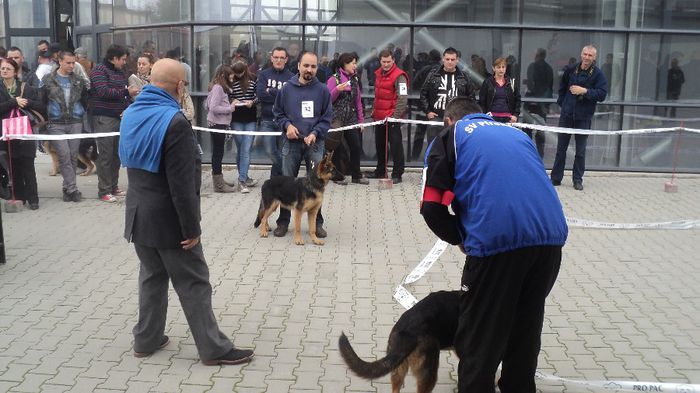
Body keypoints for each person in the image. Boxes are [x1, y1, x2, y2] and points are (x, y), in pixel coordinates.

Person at [420, 97, 568, 393]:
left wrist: (461, 238)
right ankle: (518, 386)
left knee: (480, 334)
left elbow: (431, 207)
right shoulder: (517, 134)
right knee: (525, 325)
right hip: (551, 240)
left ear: (449, 120)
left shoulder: (453, 135)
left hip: (497, 243)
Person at [118, 58, 254, 366]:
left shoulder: (129, 114)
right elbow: (182, 186)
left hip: (138, 215)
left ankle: (146, 340)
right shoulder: (175, 122)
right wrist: (192, 229)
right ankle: (213, 349)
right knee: (194, 281)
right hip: (169, 221)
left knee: (152, 277)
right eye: (185, 85)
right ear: (180, 87)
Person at [272, 51, 333, 238]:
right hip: (291, 144)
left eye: (313, 66)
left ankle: (318, 223)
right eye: (306, 65)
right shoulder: (286, 89)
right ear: (298, 65)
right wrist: (287, 126)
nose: (309, 69)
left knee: (316, 184)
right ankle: (283, 222)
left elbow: (326, 119)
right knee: (287, 182)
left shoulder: (323, 90)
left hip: (315, 144)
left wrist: (315, 133)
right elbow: (277, 113)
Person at [550, 45, 608, 191]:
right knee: (560, 149)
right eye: (585, 54)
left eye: (590, 55)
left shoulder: (598, 74)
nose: (587, 57)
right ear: (581, 54)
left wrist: (585, 91)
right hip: (567, 115)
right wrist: (563, 104)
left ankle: (577, 180)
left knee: (580, 151)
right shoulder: (570, 69)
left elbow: (602, 94)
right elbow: (562, 88)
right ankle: (556, 178)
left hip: (584, 117)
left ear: (594, 58)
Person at [90, 44, 139, 202]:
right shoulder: (99, 71)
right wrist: (126, 92)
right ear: (114, 58)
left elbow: (122, 96)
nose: (125, 62)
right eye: (123, 59)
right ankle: (103, 190)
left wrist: (127, 107)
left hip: (120, 117)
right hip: (104, 118)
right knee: (105, 155)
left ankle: (113, 186)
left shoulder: (120, 72)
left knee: (117, 155)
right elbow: (103, 92)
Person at [41, 50, 89, 203]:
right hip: (56, 123)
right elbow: (42, 100)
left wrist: (82, 112)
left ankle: (67, 188)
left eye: (73, 62)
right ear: (60, 61)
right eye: (68, 62)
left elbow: (85, 99)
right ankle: (73, 190)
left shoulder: (78, 80)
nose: (71, 65)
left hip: (75, 121)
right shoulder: (48, 79)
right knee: (64, 155)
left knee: (73, 156)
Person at [0, 58, 45, 210]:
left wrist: (25, 101)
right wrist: (13, 102)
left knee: (28, 166)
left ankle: (33, 199)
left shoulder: (25, 87)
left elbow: (40, 105)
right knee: (14, 166)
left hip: (25, 132)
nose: (4, 71)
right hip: (7, 133)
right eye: (2, 68)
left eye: (8, 69)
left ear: (15, 72)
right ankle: (19, 197)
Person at [417, 47, 474, 159]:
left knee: (454, 150)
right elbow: (423, 93)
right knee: (433, 149)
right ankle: (431, 173)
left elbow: (470, 98)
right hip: (437, 116)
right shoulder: (433, 74)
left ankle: (452, 175)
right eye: (447, 59)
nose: (450, 62)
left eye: (452, 59)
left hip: (456, 119)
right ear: (443, 59)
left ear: (457, 60)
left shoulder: (464, 76)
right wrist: (428, 111)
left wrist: (465, 115)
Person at [326, 52, 368, 185]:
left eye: (356, 63)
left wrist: (361, 121)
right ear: (345, 64)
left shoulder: (354, 80)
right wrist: (337, 90)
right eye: (353, 63)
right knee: (337, 149)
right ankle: (337, 176)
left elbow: (358, 102)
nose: (355, 66)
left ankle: (356, 175)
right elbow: (327, 100)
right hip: (336, 120)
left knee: (355, 146)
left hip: (351, 119)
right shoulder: (334, 79)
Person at [367, 49, 408, 184]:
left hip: (392, 118)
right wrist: (374, 111)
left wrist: (395, 116)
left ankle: (397, 173)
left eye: (388, 61)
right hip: (379, 117)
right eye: (383, 62)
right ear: (380, 61)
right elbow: (378, 95)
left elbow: (402, 98)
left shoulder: (400, 76)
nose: (386, 64)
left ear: (393, 60)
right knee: (380, 146)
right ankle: (380, 171)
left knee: (396, 146)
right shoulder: (378, 74)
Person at [256, 47, 294, 178]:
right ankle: (285, 173)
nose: (278, 60)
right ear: (271, 58)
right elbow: (260, 95)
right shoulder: (264, 74)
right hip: (267, 120)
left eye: (281, 58)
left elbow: (290, 98)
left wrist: (271, 91)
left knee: (284, 152)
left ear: (286, 60)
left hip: (284, 121)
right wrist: (280, 95)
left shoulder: (291, 77)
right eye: (276, 57)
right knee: (270, 151)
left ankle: (276, 179)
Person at [205, 64, 237, 193]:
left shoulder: (217, 87)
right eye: (230, 77)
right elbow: (213, 107)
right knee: (218, 153)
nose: (232, 79)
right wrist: (230, 108)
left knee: (218, 152)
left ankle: (219, 179)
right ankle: (218, 184)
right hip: (217, 124)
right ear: (224, 76)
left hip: (219, 123)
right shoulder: (218, 88)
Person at [228, 60, 258, 193]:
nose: (239, 76)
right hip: (236, 119)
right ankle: (245, 177)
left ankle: (242, 180)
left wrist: (252, 101)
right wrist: (232, 101)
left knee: (246, 149)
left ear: (245, 70)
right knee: (241, 148)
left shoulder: (253, 79)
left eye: (241, 73)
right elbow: (226, 96)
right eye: (236, 74)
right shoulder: (230, 79)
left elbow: (259, 95)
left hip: (250, 118)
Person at [524, 48, 553, 158]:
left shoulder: (532, 66)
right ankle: (540, 156)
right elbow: (550, 87)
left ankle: (527, 154)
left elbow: (531, 84)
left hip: (531, 101)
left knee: (527, 129)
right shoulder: (549, 68)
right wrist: (546, 104)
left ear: (537, 55)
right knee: (541, 131)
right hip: (542, 103)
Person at [478, 57, 521, 124]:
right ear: (493, 68)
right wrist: (485, 115)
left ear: (506, 68)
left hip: (508, 118)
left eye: (503, 67)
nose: (501, 70)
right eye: (498, 67)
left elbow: (517, 100)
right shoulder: (487, 82)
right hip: (491, 118)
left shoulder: (511, 82)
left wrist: (515, 115)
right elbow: (482, 101)